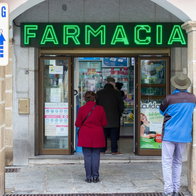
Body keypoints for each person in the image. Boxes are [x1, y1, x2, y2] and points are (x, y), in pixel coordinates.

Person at [159, 73, 196, 196]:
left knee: (167, 162)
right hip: (184, 135)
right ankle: (176, 188)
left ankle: (168, 191)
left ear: (174, 84)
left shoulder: (169, 98)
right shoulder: (192, 98)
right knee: (178, 162)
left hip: (169, 134)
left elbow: (161, 111)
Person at [75, 91, 107, 183]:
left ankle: (89, 176)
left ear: (85, 99)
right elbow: (104, 123)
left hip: (85, 135)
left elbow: (77, 123)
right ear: (95, 98)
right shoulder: (100, 109)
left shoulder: (82, 109)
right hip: (97, 134)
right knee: (96, 156)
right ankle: (96, 176)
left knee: (87, 156)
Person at [96, 76, 124, 154]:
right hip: (114, 118)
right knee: (114, 136)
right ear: (112, 83)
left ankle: (102, 150)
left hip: (102, 118)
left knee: (103, 135)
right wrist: (119, 114)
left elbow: (96, 105)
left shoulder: (99, 93)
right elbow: (121, 106)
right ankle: (114, 150)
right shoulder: (117, 93)